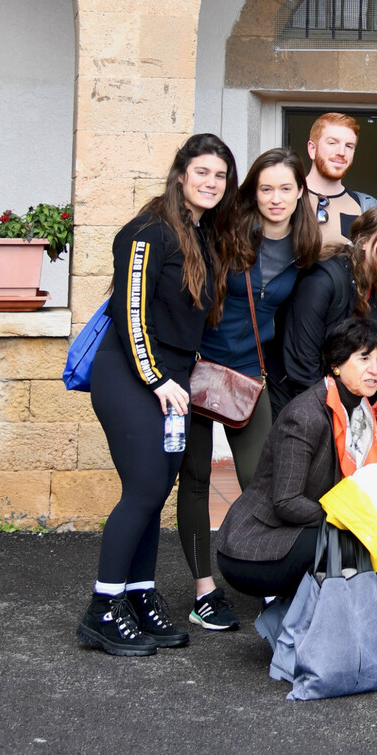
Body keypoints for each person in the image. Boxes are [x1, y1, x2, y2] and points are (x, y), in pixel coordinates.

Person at [75, 133, 234, 657]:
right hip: (130, 374)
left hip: (171, 381)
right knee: (144, 489)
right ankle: (101, 610)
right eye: (203, 172)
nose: (212, 182)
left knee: (157, 491)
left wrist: (176, 380)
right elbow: (129, 313)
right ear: (182, 173)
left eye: (221, 175)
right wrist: (158, 379)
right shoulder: (148, 231)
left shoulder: (200, 234)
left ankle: (139, 597)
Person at [174, 147, 322, 632]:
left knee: (268, 481)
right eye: (265, 188)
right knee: (195, 480)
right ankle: (204, 591)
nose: (275, 198)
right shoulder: (224, 232)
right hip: (197, 369)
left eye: (285, 188)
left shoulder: (306, 248)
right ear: (252, 192)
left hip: (249, 378)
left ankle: (271, 582)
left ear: (301, 191)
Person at [212, 318, 377, 600]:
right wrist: (351, 521)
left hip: (297, 533)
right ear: (337, 363)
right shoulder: (306, 415)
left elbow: (376, 477)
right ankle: (313, 629)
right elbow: (286, 502)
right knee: (355, 543)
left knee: (367, 541)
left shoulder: (360, 410)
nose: (374, 370)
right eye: (364, 358)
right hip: (255, 543)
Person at [276, 205, 377, 411]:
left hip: (338, 400)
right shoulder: (324, 280)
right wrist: (326, 414)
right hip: (296, 399)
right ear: (363, 242)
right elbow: (302, 359)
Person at [304, 112, 377, 246]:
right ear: (312, 149)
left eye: (349, 146)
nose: (341, 152)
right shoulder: (286, 199)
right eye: (332, 143)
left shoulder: (366, 206)